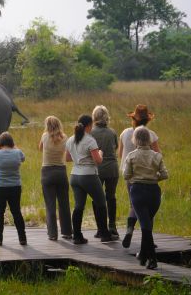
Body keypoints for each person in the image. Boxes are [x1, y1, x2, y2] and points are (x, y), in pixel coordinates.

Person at [66, 115, 117, 244]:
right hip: (88, 175)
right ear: (89, 125)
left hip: (74, 176)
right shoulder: (90, 140)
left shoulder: (71, 139)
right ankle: (105, 234)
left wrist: (80, 158)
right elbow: (98, 161)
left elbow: (67, 158)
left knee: (79, 206)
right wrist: (100, 153)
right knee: (101, 203)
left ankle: (77, 236)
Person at [123, 126, 169, 269]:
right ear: (149, 139)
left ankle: (153, 259)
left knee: (145, 225)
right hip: (154, 193)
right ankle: (143, 255)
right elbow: (165, 175)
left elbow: (126, 175)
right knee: (147, 223)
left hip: (138, 192)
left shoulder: (131, 156)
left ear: (135, 140)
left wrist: (137, 177)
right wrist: (153, 178)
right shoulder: (157, 156)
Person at [118, 104, 161, 248]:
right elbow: (157, 155)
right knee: (148, 208)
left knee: (134, 204)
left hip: (129, 175)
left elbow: (120, 155)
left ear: (133, 119)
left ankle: (129, 230)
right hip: (147, 176)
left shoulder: (124, 133)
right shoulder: (151, 134)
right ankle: (149, 240)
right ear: (147, 120)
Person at [0, 131, 27, 246]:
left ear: (0, 143)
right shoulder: (17, 152)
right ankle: (22, 238)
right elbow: (23, 158)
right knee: (16, 212)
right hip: (15, 187)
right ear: (11, 142)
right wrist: (15, 147)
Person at [38, 116, 72, 241]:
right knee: (64, 203)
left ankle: (52, 234)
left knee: (50, 204)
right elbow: (68, 154)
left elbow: (40, 148)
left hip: (47, 172)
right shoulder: (65, 137)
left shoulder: (44, 136)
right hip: (60, 171)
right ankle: (67, 232)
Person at [89, 105, 119, 238]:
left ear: (94, 117)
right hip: (112, 168)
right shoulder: (112, 132)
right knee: (111, 197)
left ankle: (100, 228)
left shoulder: (90, 133)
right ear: (106, 116)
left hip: (97, 169)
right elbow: (116, 147)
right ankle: (112, 226)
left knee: (97, 199)